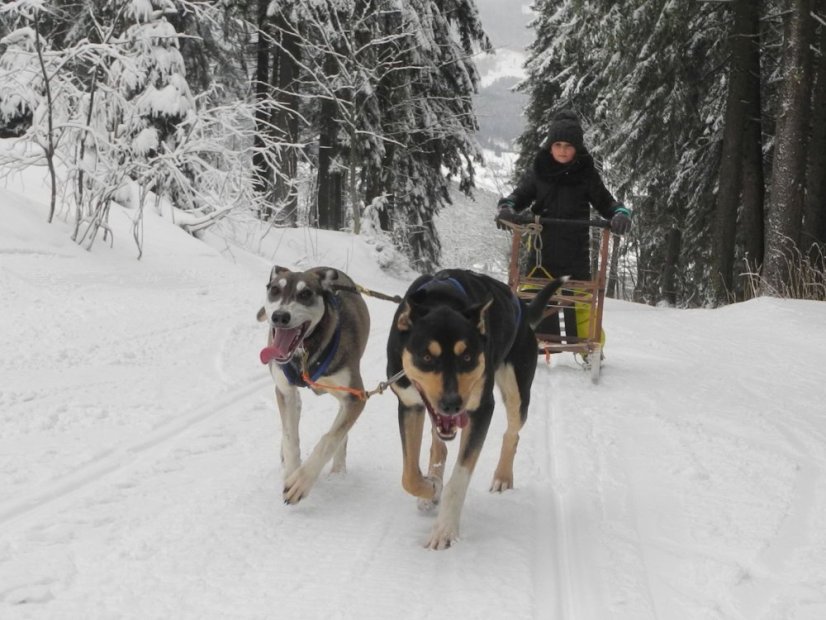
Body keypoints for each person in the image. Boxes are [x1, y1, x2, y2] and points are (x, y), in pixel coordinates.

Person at [495, 109, 631, 349]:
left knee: (582, 305)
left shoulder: (586, 174)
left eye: (568, 145)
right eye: (557, 144)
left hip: (574, 254)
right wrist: (506, 207)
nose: (562, 150)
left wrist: (620, 214)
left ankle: (592, 349)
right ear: (550, 146)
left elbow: (606, 203)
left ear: (577, 148)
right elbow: (519, 196)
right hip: (540, 254)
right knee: (528, 300)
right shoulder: (539, 170)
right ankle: (521, 347)